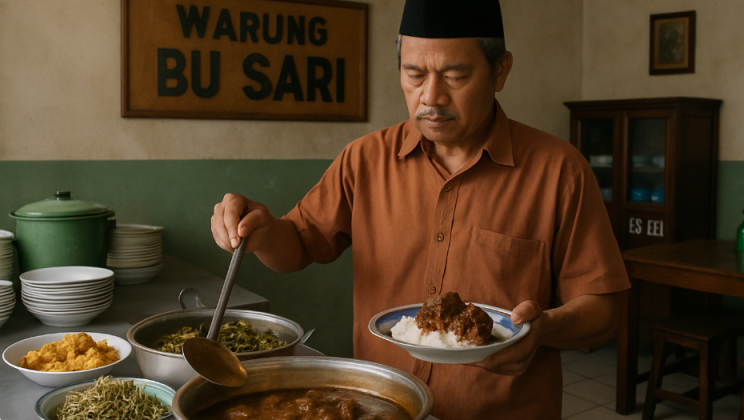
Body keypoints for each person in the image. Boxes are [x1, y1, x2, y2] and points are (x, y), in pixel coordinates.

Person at [210, 0, 630, 418]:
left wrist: (545, 329)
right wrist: (262, 232)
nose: (431, 96)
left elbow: (602, 311)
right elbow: (297, 247)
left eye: (455, 76)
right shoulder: (364, 160)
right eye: (414, 74)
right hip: (382, 408)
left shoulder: (559, 170)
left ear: (500, 70)